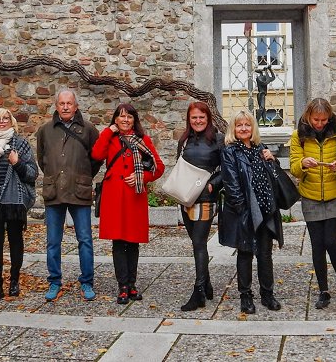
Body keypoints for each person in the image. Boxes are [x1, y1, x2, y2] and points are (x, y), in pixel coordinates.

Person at [91, 103, 164, 303]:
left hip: (134, 197)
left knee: (133, 242)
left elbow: (159, 167)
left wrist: (142, 177)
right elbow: (97, 154)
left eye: (129, 117)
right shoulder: (110, 138)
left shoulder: (143, 140)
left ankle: (131, 285)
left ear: (134, 120)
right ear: (115, 119)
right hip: (114, 197)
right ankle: (122, 286)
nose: (125, 120)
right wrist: (109, 131)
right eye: (121, 116)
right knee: (118, 241)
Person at [36, 89, 101, 302]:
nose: (65, 107)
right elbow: (42, 159)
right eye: (62, 103)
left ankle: (87, 281)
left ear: (76, 106)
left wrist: (83, 176)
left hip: (79, 191)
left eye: (69, 103)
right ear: (56, 106)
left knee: (85, 239)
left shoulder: (89, 129)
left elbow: (97, 158)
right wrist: (55, 176)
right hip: (54, 191)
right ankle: (54, 281)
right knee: (53, 241)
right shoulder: (45, 130)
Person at [289, 98, 336, 310]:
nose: (319, 124)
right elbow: (294, 168)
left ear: (329, 117)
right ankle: (323, 290)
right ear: (309, 116)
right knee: (317, 244)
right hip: (310, 195)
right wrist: (303, 163)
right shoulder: (299, 136)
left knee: (331, 241)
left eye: (324, 120)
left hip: (335, 193)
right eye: (316, 120)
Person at [220, 109, 283, 314]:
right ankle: (246, 295)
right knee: (245, 253)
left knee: (265, 253)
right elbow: (231, 185)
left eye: (247, 124)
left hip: (265, 209)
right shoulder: (230, 151)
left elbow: (273, 176)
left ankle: (267, 294)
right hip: (245, 211)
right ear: (233, 128)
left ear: (253, 127)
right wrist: (243, 211)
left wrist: (272, 160)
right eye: (239, 125)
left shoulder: (260, 148)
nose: (243, 128)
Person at [0, 108, 37, 302]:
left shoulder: (21, 144)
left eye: (5, 118)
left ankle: (14, 281)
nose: (2, 121)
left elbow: (32, 173)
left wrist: (17, 163)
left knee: (15, 241)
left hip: (14, 201)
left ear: (12, 122)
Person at [175, 102, 224, 311]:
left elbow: (227, 168)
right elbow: (179, 166)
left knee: (199, 242)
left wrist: (214, 184)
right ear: (189, 119)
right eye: (194, 117)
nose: (198, 121)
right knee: (196, 244)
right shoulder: (184, 140)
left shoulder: (219, 139)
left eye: (201, 117)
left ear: (208, 118)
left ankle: (199, 292)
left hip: (205, 198)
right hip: (186, 197)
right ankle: (207, 284)